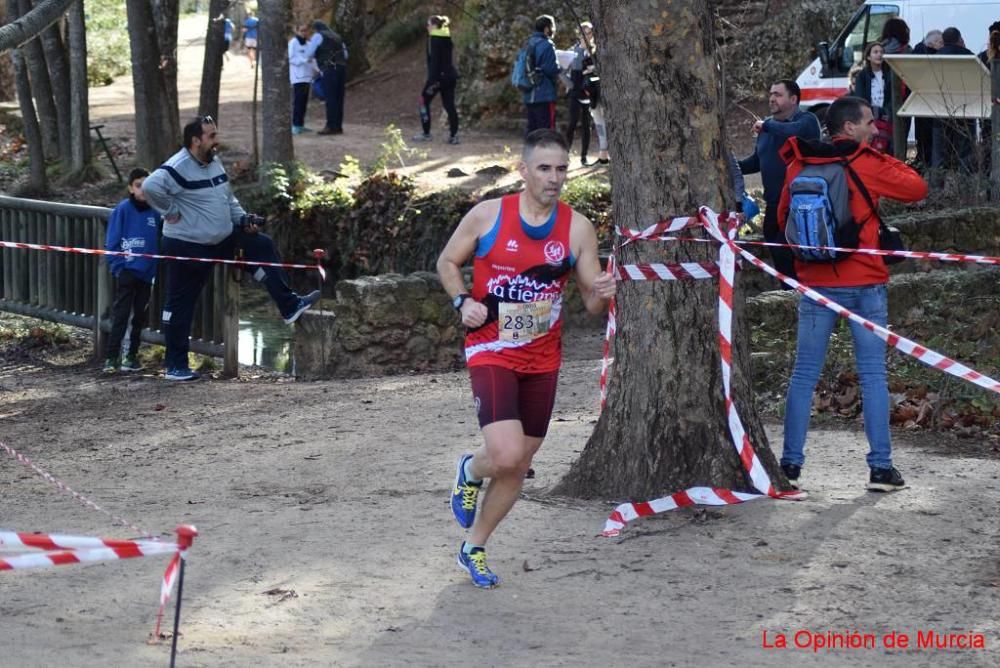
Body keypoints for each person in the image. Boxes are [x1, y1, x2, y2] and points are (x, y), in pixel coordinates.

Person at [437, 129, 616, 588]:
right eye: (544, 168)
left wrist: (602, 293)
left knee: (518, 464)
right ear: (523, 171)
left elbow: (592, 306)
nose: (554, 178)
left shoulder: (577, 228)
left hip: (543, 359)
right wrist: (462, 302)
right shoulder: (487, 215)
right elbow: (447, 263)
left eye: (561, 169)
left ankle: (473, 546)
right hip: (491, 349)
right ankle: (472, 469)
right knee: (507, 453)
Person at [776, 96, 928, 493]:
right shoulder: (865, 162)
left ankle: (789, 466)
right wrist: (879, 156)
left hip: (815, 284)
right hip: (864, 285)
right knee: (873, 375)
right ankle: (880, 469)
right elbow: (916, 188)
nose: (874, 128)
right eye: (868, 123)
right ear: (848, 129)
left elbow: (782, 220)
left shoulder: (798, 163)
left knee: (803, 375)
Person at [142, 116, 320, 381]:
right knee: (181, 302)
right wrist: (170, 210)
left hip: (221, 239)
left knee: (261, 245)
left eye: (216, 134)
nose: (217, 141)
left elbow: (228, 197)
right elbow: (149, 187)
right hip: (187, 245)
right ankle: (176, 366)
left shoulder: (214, 162)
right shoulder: (176, 166)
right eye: (211, 136)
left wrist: (243, 220)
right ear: (195, 141)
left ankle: (289, 305)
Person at [738, 79, 821, 284]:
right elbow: (757, 161)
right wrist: (730, 165)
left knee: (796, 262)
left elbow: (791, 132)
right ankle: (790, 301)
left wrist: (766, 126)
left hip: (800, 208)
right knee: (781, 264)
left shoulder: (807, 121)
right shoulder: (768, 127)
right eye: (771, 94)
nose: (772, 98)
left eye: (778, 94)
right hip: (774, 207)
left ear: (794, 99)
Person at [103, 168, 161, 374]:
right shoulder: (123, 210)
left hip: (147, 275)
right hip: (127, 271)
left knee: (139, 317)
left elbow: (160, 242)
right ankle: (111, 357)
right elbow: (112, 242)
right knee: (121, 315)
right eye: (138, 185)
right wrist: (119, 268)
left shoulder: (156, 213)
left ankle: (131, 356)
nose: (142, 190)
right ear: (130, 187)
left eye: (146, 185)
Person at [932, 28, 976, 173]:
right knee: (965, 152)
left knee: (939, 153)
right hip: (965, 110)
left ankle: (936, 188)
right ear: (959, 39)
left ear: (943, 41)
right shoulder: (969, 55)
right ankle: (965, 186)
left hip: (940, 109)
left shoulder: (936, 57)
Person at [413, 15, 460, 144]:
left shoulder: (432, 40)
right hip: (450, 77)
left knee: (423, 102)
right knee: (449, 105)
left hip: (438, 78)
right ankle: (454, 135)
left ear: (434, 26)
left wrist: (432, 80)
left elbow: (434, 61)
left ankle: (426, 133)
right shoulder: (447, 38)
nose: (427, 27)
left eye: (428, 25)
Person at [521, 15, 561, 134]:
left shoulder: (528, 43)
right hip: (544, 93)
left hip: (528, 92)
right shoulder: (547, 45)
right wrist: (560, 67)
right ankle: (544, 153)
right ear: (547, 28)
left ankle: (529, 152)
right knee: (545, 130)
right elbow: (551, 69)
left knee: (531, 129)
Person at [853, 42, 894, 154]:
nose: (879, 55)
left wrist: (886, 111)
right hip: (869, 116)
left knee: (886, 147)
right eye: (875, 52)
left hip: (887, 117)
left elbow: (893, 97)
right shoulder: (862, 75)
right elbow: (860, 98)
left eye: (881, 52)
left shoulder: (890, 74)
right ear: (868, 56)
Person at [912, 30, 943, 168]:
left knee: (922, 138)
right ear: (932, 43)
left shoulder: (916, 52)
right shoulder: (932, 55)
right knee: (931, 138)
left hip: (919, 102)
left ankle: (923, 163)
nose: (943, 45)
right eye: (941, 42)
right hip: (931, 102)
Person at [565, 21, 595, 165]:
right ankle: (565, 154)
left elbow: (595, 69)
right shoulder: (573, 50)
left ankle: (584, 157)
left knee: (586, 125)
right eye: (584, 33)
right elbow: (563, 70)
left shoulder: (595, 49)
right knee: (572, 122)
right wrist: (568, 84)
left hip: (589, 91)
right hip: (575, 91)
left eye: (589, 33)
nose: (587, 36)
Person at [312, 20, 347, 136]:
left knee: (330, 98)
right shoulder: (337, 36)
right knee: (338, 98)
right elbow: (346, 54)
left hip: (329, 68)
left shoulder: (318, 36)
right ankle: (338, 126)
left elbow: (310, 53)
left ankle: (330, 126)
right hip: (341, 68)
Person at [289, 23, 319, 135]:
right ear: (297, 31)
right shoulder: (293, 43)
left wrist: (318, 69)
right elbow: (290, 58)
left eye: (306, 31)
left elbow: (313, 59)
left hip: (307, 76)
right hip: (298, 76)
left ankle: (301, 124)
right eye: (302, 30)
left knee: (304, 101)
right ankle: (295, 125)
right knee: (298, 101)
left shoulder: (309, 44)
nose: (304, 33)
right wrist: (303, 60)